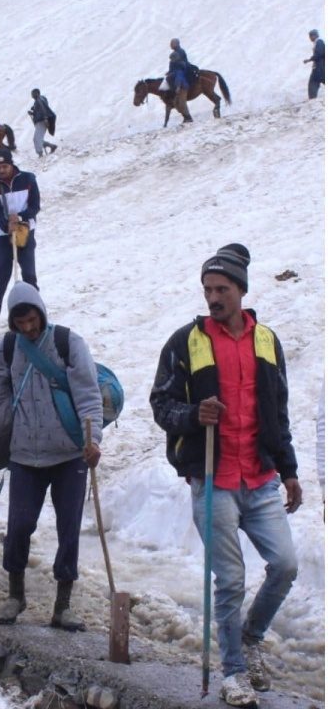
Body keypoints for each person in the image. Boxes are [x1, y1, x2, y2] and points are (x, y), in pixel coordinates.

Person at [149, 244, 301, 707]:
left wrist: (289, 471)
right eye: (207, 289)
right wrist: (195, 414)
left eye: (222, 289)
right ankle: (234, 671)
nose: (213, 297)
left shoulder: (266, 341)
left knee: (287, 565)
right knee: (230, 580)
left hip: (260, 478)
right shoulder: (186, 342)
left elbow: (277, 411)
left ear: (241, 290)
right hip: (212, 480)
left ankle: (251, 637)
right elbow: (161, 404)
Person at [0, 282, 102, 630]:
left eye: (32, 319)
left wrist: (93, 439)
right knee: (19, 526)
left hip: (70, 454)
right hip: (24, 454)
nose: (28, 328)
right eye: (20, 322)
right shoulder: (8, 347)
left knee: (68, 529)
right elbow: (0, 390)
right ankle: (15, 594)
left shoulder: (69, 343)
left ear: (41, 312)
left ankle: (63, 605)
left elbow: (88, 394)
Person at [0, 147, 40, 334]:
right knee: (0, 278)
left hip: (25, 231)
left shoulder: (28, 179)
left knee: (29, 275)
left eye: (5, 166)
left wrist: (21, 218)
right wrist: (6, 225)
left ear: (11, 164)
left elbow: (35, 206)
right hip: (2, 235)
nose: (1, 170)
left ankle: (36, 313)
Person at [166, 38, 194, 123]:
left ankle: (188, 118)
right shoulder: (177, 54)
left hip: (182, 81)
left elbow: (179, 73)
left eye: (172, 43)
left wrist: (178, 86)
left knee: (181, 102)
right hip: (178, 77)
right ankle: (186, 117)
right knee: (177, 103)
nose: (171, 45)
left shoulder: (179, 53)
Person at [28, 89, 57, 156]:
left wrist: (45, 118)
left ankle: (40, 153)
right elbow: (40, 110)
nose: (32, 95)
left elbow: (43, 109)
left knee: (36, 139)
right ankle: (51, 146)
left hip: (41, 121)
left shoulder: (39, 100)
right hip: (42, 121)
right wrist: (33, 112)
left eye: (33, 94)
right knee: (38, 138)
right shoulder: (41, 99)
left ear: (37, 93)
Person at [305, 29, 324, 99]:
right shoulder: (318, 42)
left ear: (314, 36)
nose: (310, 38)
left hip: (320, 68)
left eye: (310, 36)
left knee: (313, 83)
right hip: (319, 68)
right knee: (314, 82)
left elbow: (319, 54)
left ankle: (312, 100)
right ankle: (312, 99)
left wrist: (309, 59)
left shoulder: (319, 42)